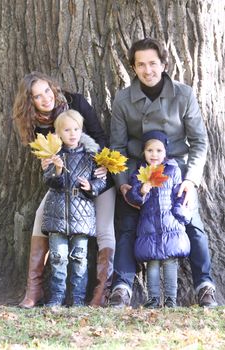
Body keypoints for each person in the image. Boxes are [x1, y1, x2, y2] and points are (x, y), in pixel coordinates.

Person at [109, 37, 217, 308]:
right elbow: (118, 146)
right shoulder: (123, 99)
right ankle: (121, 287)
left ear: (164, 63)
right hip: (138, 170)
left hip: (175, 171)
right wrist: (123, 183)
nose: (148, 70)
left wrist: (190, 180)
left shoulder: (183, 94)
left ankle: (204, 286)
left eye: (153, 63)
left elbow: (200, 142)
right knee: (127, 225)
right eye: (141, 64)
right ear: (133, 67)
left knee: (192, 223)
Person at [13, 71, 116, 308]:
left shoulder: (76, 102)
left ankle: (102, 293)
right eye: (37, 96)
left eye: (47, 91)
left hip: (96, 177)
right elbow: (46, 157)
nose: (46, 98)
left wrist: (103, 164)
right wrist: (48, 163)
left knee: (105, 228)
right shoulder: (36, 126)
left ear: (53, 87)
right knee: (41, 218)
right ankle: (34, 289)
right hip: (64, 186)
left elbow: (99, 135)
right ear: (30, 102)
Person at [41, 110, 106, 306]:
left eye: (76, 129)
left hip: (82, 214)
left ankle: (78, 299)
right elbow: (49, 181)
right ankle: (57, 297)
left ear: (81, 130)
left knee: (80, 259)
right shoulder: (53, 156)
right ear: (58, 133)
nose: (72, 133)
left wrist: (91, 186)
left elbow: (100, 181)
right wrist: (58, 169)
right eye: (67, 130)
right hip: (57, 213)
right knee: (58, 258)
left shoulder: (91, 156)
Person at [126, 130, 191, 308]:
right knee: (152, 262)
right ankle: (153, 298)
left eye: (159, 150)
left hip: (170, 223)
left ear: (165, 152)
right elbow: (133, 196)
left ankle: (170, 299)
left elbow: (180, 195)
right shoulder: (140, 172)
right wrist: (142, 190)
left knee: (170, 262)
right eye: (150, 151)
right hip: (149, 226)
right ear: (143, 153)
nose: (154, 155)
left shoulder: (172, 169)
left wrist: (182, 217)